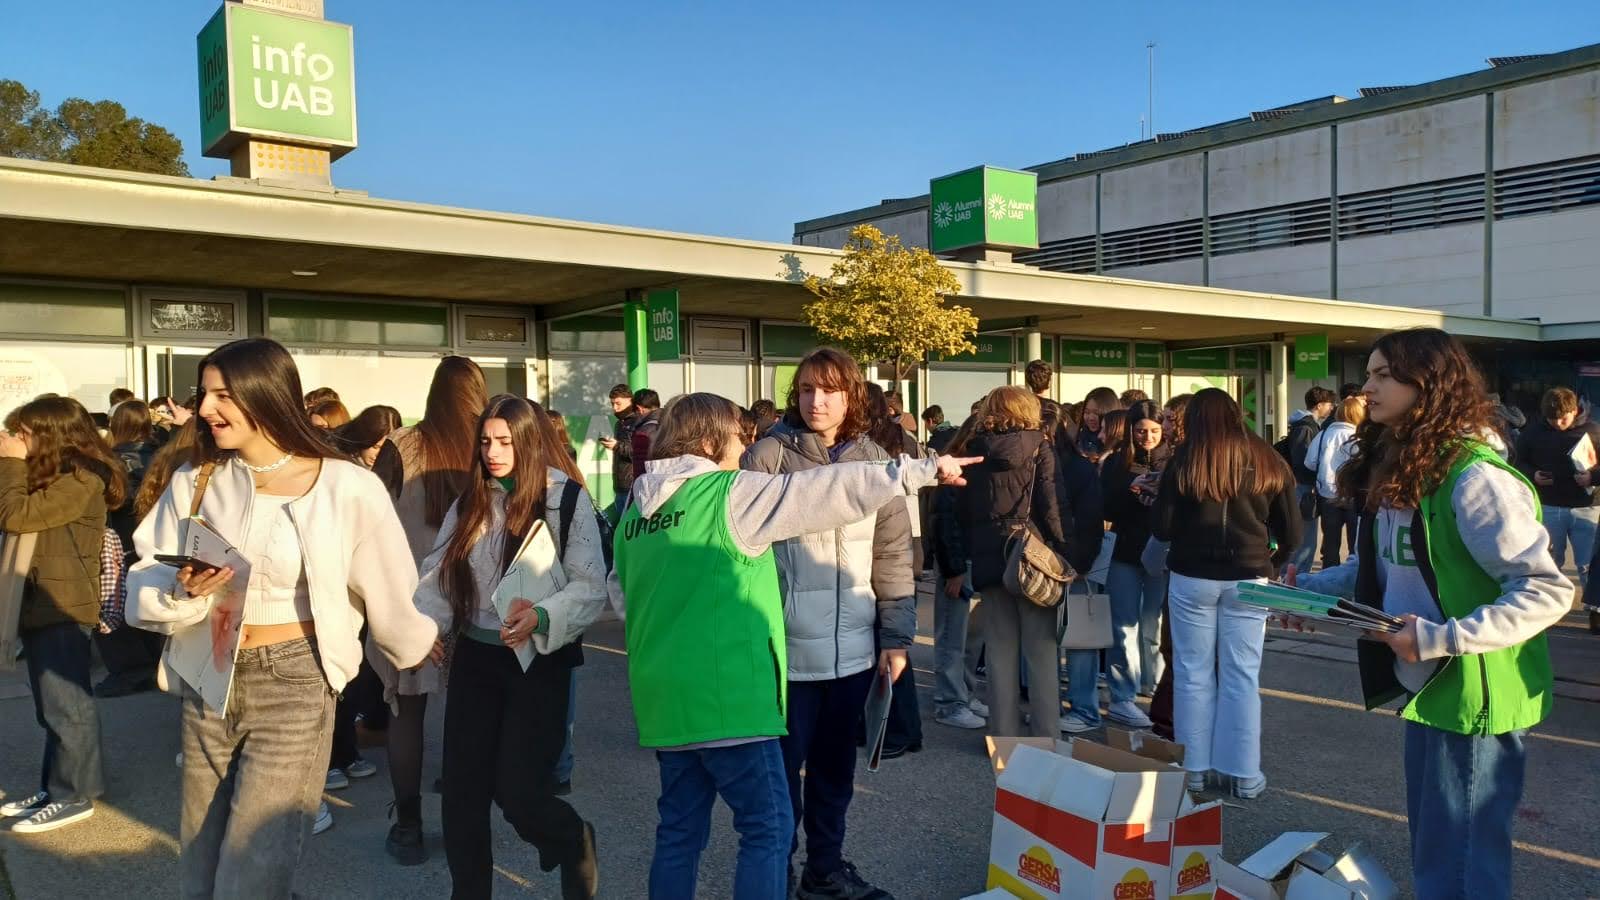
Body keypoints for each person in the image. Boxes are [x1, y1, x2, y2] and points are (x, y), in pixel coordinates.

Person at [611, 392, 974, 900]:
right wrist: (920, 470)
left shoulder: (636, 513)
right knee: (767, 829)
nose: (745, 447)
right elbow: (823, 490)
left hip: (665, 705)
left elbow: (623, 598)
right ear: (712, 441)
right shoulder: (729, 493)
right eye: (738, 437)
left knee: (678, 833)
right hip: (732, 702)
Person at [125, 338, 437, 897]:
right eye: (205, 394)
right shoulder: (196, 481)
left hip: (296, 681)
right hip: (208, 671)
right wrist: (182, 591)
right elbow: (148, 569)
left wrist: (414, 643)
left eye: (223, 395)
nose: (205, 409)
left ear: (266, 395)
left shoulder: (345, 485)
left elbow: (388, 582)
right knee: (200, 866)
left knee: (253, 868)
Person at [1294, 328, 1571, 899]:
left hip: (1472, 695)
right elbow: (1382, 567)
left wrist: (1443, 638)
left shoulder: (1475, 478)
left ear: (1428, 383)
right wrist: (1309, 595)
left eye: (1382, 375)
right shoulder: (1404, 464)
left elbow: (1546, 589)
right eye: (1368, 375)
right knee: (1439, 855)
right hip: (1429, 688)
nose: (1366, 388)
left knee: (1459, 866)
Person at [412, 395, 605, 900]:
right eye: (485, 442)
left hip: (537, 663)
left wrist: (542, 616)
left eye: (504, 441)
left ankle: (571, 839)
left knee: (520, 793)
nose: (493, 453)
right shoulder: (471, 500)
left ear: (529, 442)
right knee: (462, 792)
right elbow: (438, 573)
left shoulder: (565, 498)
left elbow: (590, 586)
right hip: (475, 657)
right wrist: (426, 627)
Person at [741, 347, 915, 900]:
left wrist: (896, 637)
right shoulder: (767, 456)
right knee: (779, 779)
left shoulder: (877, 461)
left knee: (836, 774)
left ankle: (825, 869)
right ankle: (776, 874)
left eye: (830, 390)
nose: (816, 401)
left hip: (853, 652)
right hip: (784, 654)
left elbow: (893, 555)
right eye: (807, 389)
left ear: (852, 395)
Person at [1152, 388, 1298, 799]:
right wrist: (1271, 559)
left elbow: (1162, 528)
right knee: (1242, 674)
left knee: (1191, 672)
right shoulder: (1268, 458)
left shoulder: (1185, 460)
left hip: (1191, 574)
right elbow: (1293, 531)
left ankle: (1195, 769)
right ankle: (1244, 773)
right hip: (1250, 574)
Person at [377, 355, 488, 865]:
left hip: (410, 599)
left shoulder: (402, 446)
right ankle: (467, 827)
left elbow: (374, 518)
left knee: (405, 710)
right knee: (470, 715)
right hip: (478, 598)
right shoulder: (491, 443)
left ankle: (408, 827)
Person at [0, 396, 124, 833]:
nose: (17, 440)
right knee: (51, 708)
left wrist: (11, 464)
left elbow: (16, 516)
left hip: (64, 606)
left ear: (49, 433)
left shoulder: (84, 478)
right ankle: (55, 787)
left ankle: (74, 796)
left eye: (23, 433)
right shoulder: (57, 475)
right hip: (43, 603)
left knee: (67, 707)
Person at [957, 386, 1072, 740]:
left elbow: (963, 509)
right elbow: (1052, 505)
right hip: (1031, 555)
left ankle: (1003, 738)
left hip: (989, 555)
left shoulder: (974, 449)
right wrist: (1065, 551)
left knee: (999, 653)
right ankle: (1045, 738)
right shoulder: (1040, 446)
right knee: (1041, 655)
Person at [1099, 401, 1171, 726]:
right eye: (1141, 431)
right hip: (1125, 551)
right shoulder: (1116, 462)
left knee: (1154, 623)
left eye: (1154, 431)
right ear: (1130, 430)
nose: (1148, 437)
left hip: (1161, 552)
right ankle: (1122, 695)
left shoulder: (1173, 460)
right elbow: (1106, 508)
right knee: (1124, 626)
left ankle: (1153, 684)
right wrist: (1131, 492)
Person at [866, 384, 924, 758]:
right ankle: (897, 728)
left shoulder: (878, 448)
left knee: (889, 645)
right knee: (889, 643)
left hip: (889, 543)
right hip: (907, 538)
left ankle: (900, 729)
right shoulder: (904, 440)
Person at [95, 399, 165, 697]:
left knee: (117, 602)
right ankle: (153, 664)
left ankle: (132, 671)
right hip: (156, 538)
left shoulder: (111, 460)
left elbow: (116, 501)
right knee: (150, 598)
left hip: (122, 537)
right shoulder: (164, 454)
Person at [930, 415, 989, 730]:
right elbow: (944, 520)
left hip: (975, 561)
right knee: (953, 638)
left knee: (971, 639)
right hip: (957, 563)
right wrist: (952, 569)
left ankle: (964, 693)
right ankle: (949, 702)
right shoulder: (953, 471)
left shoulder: (984, 469)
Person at [1515, 387, 1600, 587]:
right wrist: (1533, 475)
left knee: (1588, 565)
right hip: (1549, 506)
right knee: (1549, 564)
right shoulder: (1532, 433)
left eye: (1563, 419)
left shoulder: (1594, 430)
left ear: (1575, 411)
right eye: (1552, 420)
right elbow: (1517, 463)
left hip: (1587, 507)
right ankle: (1550, 603)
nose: (1558, 424)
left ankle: (1591, 604)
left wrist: (1592, 477)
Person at [1307, 396, 1366, 570]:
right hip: (1354, 496)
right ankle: (1353, 578)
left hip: (1327, 496)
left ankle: (1329, 578)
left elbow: (1310, 462)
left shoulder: (1323, 435)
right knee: (1356, 546)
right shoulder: (1360, 437)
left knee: (1330, 545)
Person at [1284, 386, 1336, 576]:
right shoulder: (1306, 427)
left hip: (1302, 487)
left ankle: (1294, 575)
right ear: (1319, 405)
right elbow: (1302, 462)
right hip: (1303, 488)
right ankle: (1295, 578)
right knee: (1305, 539)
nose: (1331, 408)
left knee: (1305, 537)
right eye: (1329, 404)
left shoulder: (1305, 425)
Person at [599, 384, 638, 516]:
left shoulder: (638, 421)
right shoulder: (619, 423)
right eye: (612, 404)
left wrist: (617, 446)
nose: (614, 408)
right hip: (620, 486)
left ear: (630, 400)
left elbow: (640, 452)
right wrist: (616, 445)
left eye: (618, 403)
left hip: (632, 486)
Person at [1075, 386, 1122, 463]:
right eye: (1087, 412)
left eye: (1096, 413)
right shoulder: (1080, 438)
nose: (1091, 418)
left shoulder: (1120, 447)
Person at [629, 389, 664, 481]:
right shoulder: (671, 424)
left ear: (639, 409)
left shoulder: (643, 431)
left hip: (648, 482)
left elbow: (640, 466)